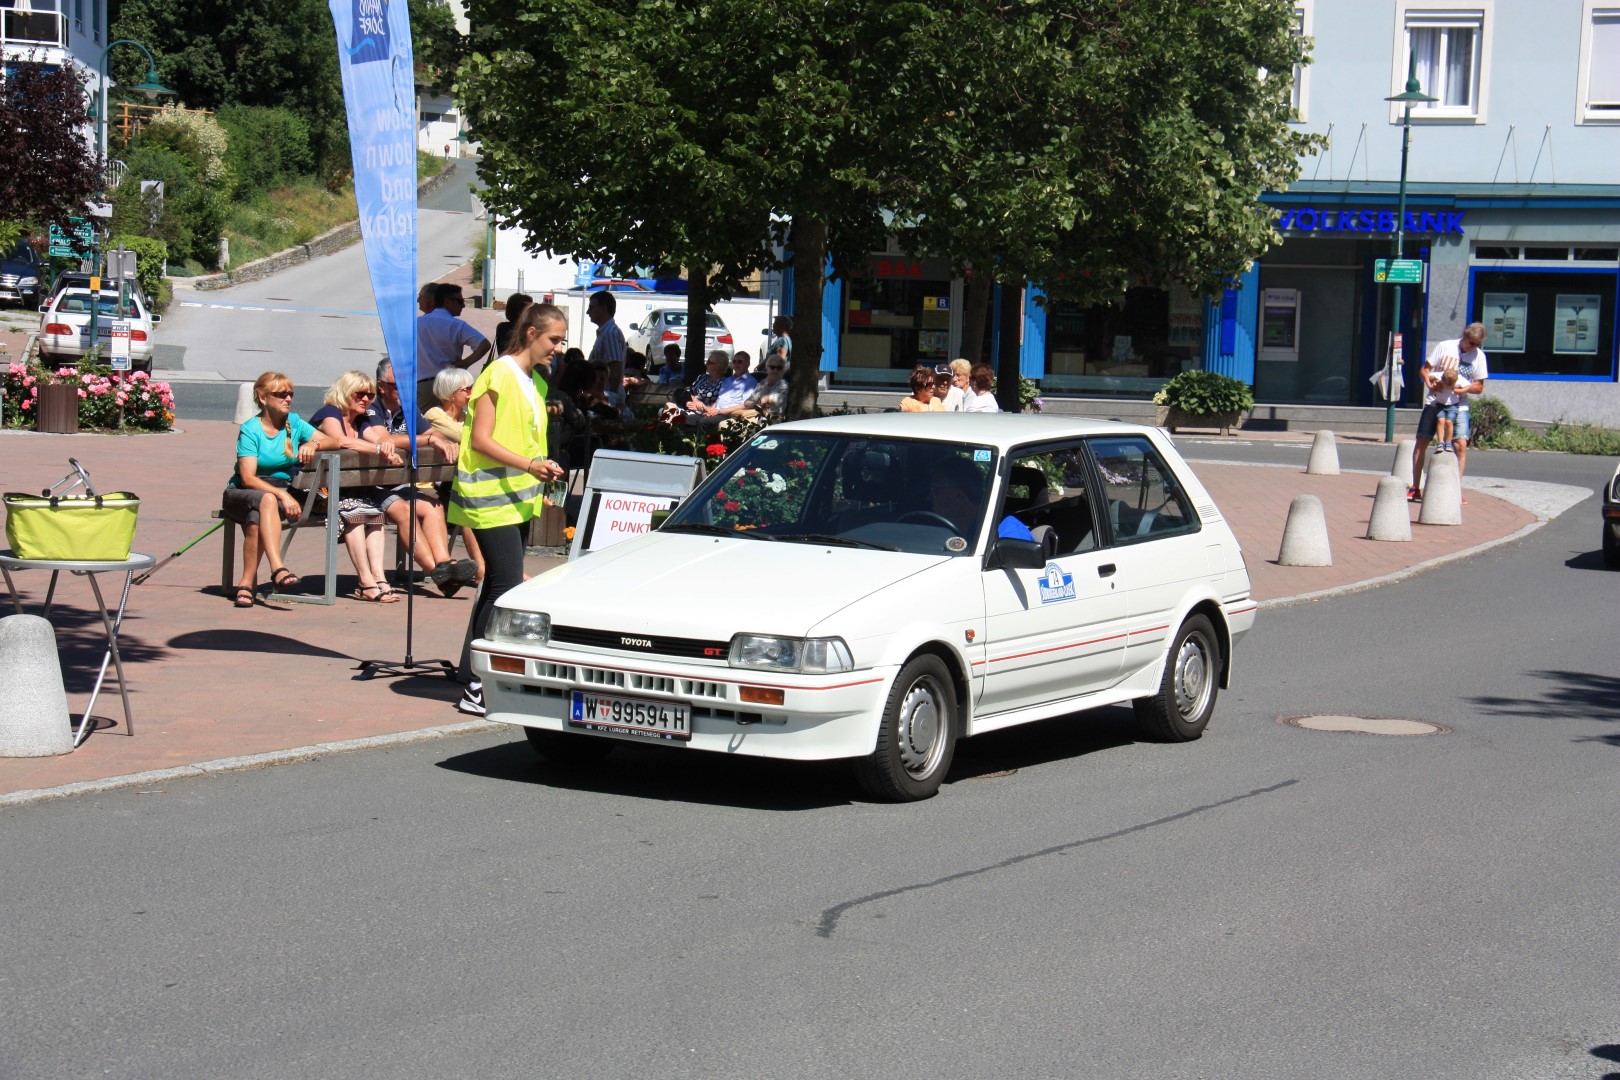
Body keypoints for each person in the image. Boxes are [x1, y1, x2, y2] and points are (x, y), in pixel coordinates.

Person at [448, 301, 568, 715]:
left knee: (498, 586)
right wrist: (531, 465)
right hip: (490, 498)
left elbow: (525, 440)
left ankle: (476, 677)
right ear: (531, 334)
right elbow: (481, 440)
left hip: (517, 497)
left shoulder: (535, 381)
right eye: (554, 339)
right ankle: (479, 685)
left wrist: (542, 467)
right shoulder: (498, 372)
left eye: (562, 341)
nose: (558, 347)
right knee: (504, 587)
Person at [220, 372, 338, 608]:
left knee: (255, 521)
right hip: (242, 492)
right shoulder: (250, 429)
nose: (288, 399)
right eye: (281, 394)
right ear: (263, 398)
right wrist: (282, 494)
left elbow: (334, 441)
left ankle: (245, 585)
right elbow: (248, 477)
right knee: (267, 501)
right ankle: (277, 567)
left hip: (273, 496)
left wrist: (312, 443)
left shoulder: (293, 422)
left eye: (290, 394)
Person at [365, 358, 476, 597]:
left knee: (433, 506)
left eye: (406, 385)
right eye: (397, 385)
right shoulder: (371, 410)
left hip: (399, 484)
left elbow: (431, 431)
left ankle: (445, 566)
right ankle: (438, 573)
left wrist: (440, 439)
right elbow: (385, 440)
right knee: (405, 511)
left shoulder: (407, 407)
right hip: (370, 487)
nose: (403, 390)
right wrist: (428, 440)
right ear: (381, 386)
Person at [309, 371, 405, 603]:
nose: (366, 399)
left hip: (348, 489)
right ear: (345, 392)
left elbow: (378, 439)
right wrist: (380, 451)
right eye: (359, 394)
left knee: (375, 516)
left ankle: (379, 579)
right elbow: (341, 440)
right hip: (319, 492)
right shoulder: (330, 413)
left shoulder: (361, 419)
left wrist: (386, 445)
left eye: (370, 395)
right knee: (357, 514)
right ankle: (365, 581)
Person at [1410, 322, 1488, 500]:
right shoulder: (1445, 346)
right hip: (1435, 401)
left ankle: (1454, 490)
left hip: (1459, 405)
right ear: (1464, 335)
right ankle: (1415, 486)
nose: (1473, 347)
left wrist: (1464, 389)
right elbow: (1424, 369)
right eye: (1471, 342)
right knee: (1422, 441)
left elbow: (1479, 386)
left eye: (1477, 344)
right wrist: (1430, 384)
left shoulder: (1479, 357)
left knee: (1460, 446)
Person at [424, 367, 486, 582]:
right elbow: (471, 439)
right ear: (451, 393)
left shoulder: (468, 416)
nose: (471, 393)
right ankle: (482, 572)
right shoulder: (434, 415)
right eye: (467, 389)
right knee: (468, 510)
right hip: (434, 485)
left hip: (460, 482)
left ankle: (489, 569)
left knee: (478, 507)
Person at [416, 282, 491, 404]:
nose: (463, 306)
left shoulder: (417, 324)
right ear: (447, 302)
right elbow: (484, 344)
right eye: (460, 302)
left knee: (425, 421)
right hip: (451, 386)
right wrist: (465, 363)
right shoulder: (456, 325)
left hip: (424, 385)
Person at [586, 289, 626, 394]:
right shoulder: (606, 332)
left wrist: (612, 397)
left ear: (604, 309)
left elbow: (615, 369)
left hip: (607, 394)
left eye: (591, 307)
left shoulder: (610, 333)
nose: (587, 312)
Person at [689, 354, 756, 417]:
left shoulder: (750, 382)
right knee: (687, 419)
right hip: (713, 411)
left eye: (740, 362)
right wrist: (710, 411)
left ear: (748, 364)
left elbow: (745, 405)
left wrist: (715, 411)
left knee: (702, 422)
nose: (736, 364)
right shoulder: (728, 380)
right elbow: (718, 399)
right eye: (734, 362)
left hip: (729, 414)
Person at [1433, 367, 1461, 453]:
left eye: (1450, 385)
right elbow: (1428, 376)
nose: (1448, 387)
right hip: (1440, 404)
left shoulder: (1460, 380)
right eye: (1446, 385)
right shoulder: (1438, 376)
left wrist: (1458, 390)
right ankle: (1441, 442)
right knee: (1440, 421)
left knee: (1449, 422)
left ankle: (1448, 443)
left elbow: (1469, 386)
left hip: (1452, 405)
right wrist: (1434, 382)